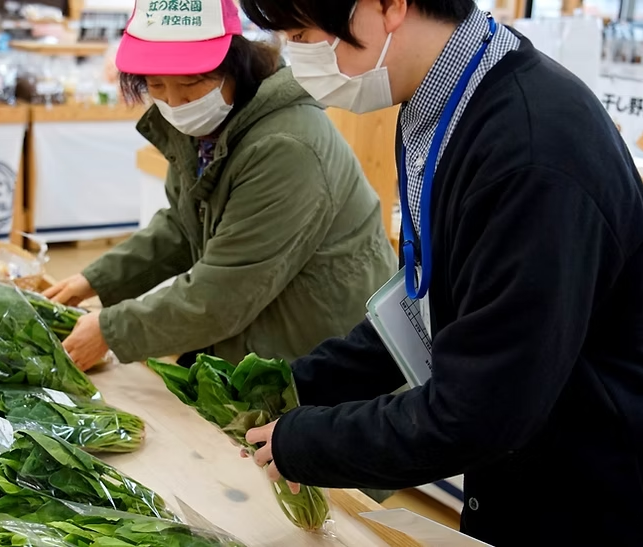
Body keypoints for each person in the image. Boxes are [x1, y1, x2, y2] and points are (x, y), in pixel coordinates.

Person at [237, 0, 643, 545]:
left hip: (605, 482)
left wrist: (305, 443)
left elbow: (482, 411)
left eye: (304, 32)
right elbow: (431, 299)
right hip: (526, 455)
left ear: (390, 7)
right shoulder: (446, 101)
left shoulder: (528, 147)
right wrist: (298, 387)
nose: (296, 56)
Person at [45, 0, 396, 370]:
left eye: (191, 83)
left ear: (234, 66)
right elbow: (183, 225)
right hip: (258, 338)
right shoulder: (205, 130)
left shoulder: (286, 147)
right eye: (156, 86)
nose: (175, 103)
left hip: (323, 359)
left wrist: (111, 331)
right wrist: (94, 279)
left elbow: (225, 294)